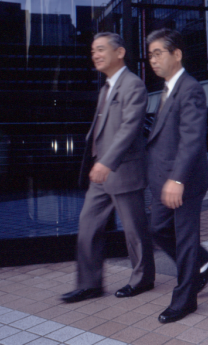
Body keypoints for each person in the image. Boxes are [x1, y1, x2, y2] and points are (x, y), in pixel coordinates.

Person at [62, 33, 155, 303]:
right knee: (88, 225)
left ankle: (142, 279)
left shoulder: (133, 85)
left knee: (134, 232)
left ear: (120, 52)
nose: (96, 55)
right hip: (101, 173)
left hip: (122, 169)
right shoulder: (106, 88)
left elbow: (129, 129)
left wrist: (106, 162)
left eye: (101, 49)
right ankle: (90, 284)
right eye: (93, 51)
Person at [146, 28, 208, 324]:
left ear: (177, 55)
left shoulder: (190, 88)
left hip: (184, 180)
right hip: (165, 180)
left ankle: (185, 300)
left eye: (158, 53)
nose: (152, 60)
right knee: (157, 228)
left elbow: (192, 138)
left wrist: (176, 179)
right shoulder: (167, 90)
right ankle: (203, 262)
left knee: (186, 239)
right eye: (150, 54)